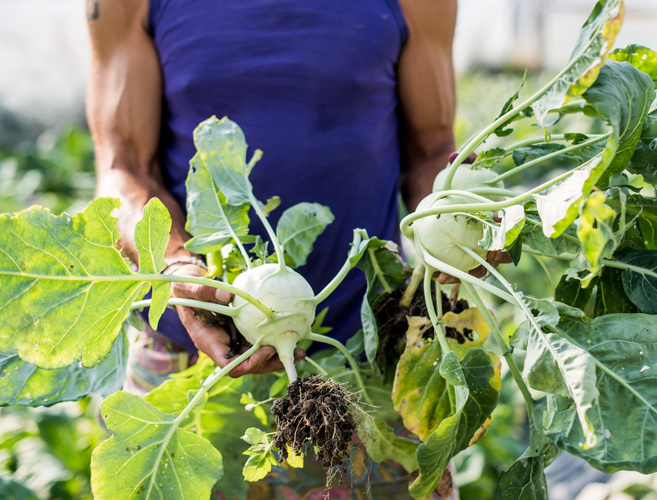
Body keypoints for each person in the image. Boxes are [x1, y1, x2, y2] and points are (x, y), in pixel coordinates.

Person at [86, 0, 458, 381]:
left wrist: (458, 220)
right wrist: (177, 265)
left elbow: (431, 151)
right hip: (185, 340)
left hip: (368, 348)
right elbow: (123, 169)